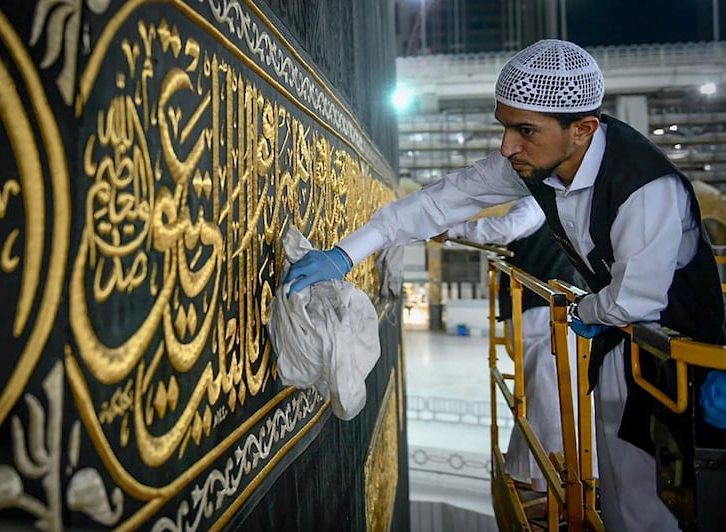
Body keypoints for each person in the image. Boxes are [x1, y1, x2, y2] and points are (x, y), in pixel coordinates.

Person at [284, 39, 725, 531]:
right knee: (620, 493)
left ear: (582, 129)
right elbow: (436, 203)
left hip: (676, 357)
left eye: (524, 130)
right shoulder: (543, 160)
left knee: (659, 504)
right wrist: (345, 253)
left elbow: (635, 298)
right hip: (623, 344)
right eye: (505, 126)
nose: (507, 146)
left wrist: (585, 313)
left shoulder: (645, 188)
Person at [442, 196, 582, 493]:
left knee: (549, 400)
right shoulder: (571, 205)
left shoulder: (539, 201)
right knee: (544, 396)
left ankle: (553, 484)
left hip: (542, 314)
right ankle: (535, 474)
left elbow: (507, 228)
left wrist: (453, 230)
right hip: (561, 312)